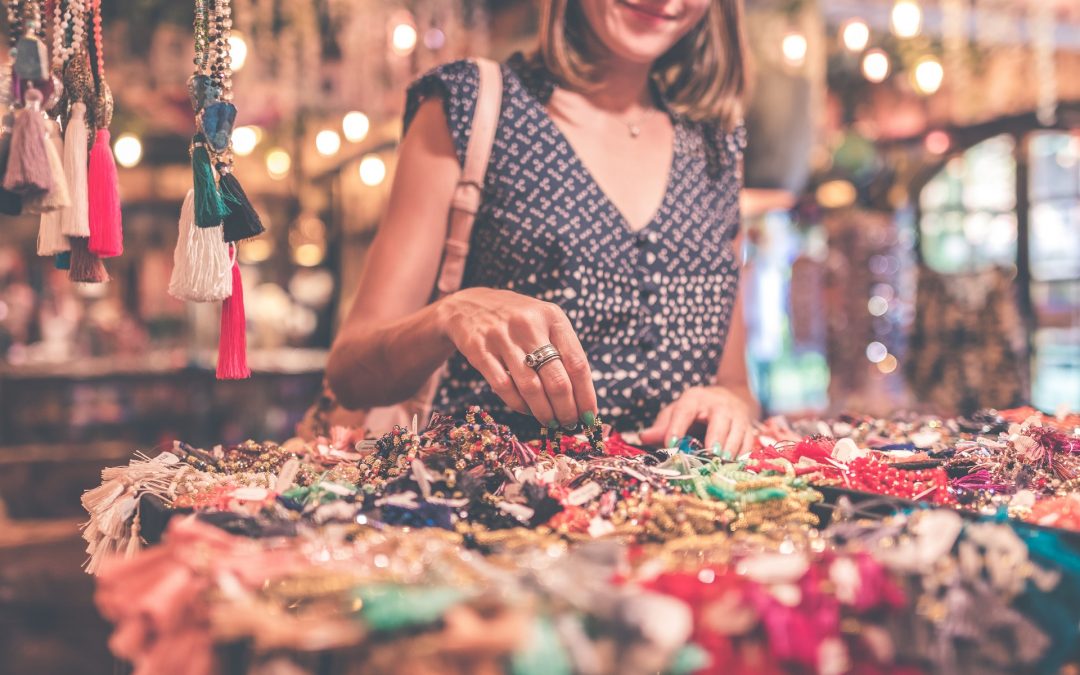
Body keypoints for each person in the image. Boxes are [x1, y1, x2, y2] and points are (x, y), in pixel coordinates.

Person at [327, 0, 758, 456]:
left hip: (684, 515)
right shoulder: (472, 103)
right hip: (490, 507)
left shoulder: (716, 144)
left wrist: (728, 403)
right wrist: (450, 314)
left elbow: (735, 384)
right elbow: (350, 374)